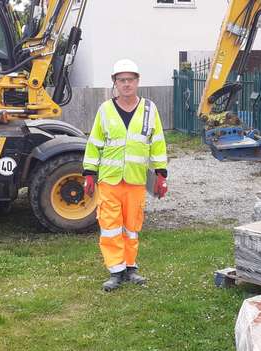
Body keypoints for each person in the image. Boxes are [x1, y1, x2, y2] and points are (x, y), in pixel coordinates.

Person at [82, 58, 168, 292]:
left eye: (130, 80)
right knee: (110, 225)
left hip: (136, 180)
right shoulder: (105, 110)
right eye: (122, 80)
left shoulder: (150, 109)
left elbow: (157, 142)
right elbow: (94, 143)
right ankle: (115, 270)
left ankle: (131, 267)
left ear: (137, 82)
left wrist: (161, 173)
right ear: (115, 83)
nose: (127, 84)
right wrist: (89, 173)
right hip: (109, 180)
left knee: (132, 226)